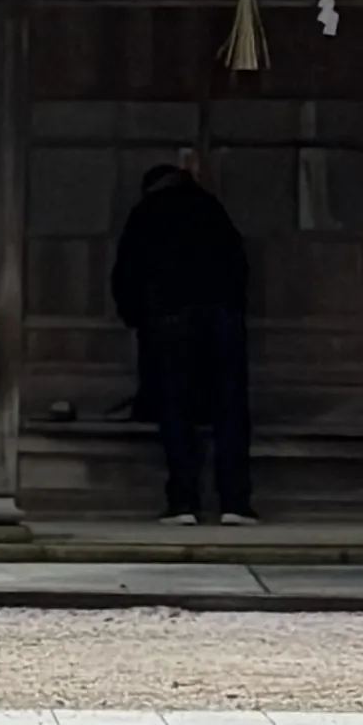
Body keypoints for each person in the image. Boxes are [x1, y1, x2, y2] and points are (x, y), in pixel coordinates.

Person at [109, 157, 255, 523]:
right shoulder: (211, 208)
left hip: (171, 317)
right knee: (230, 407)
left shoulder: (147, 213)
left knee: (175, 407)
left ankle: (184, 501)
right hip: (223, 315)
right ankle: (235, 502)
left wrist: (137, 316)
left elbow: (126, 272)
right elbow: (240, 266)